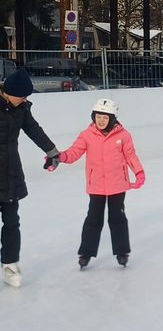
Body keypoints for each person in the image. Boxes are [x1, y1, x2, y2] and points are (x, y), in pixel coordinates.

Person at [55, 98, 145, 269]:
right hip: (96, 184)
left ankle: (122, 252)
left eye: (105, 117)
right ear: (93, 116)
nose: (101, 120)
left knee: (117, 218)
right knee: (94, 218)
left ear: (112, 118)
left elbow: (130, 155)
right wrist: (60, 157)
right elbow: (74, 152)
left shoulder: (123, 135)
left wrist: (139, 172)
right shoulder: (86, 135)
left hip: (118, 184)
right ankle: (86, 253)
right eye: (98, 116)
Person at [0, 69, 61, 288]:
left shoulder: (22, 109)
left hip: (9, 172)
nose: (25, 99)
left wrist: (53, 151)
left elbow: (34, 130)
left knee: (12, 222)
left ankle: (9, 263)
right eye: (22, 96)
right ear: (8, 92)